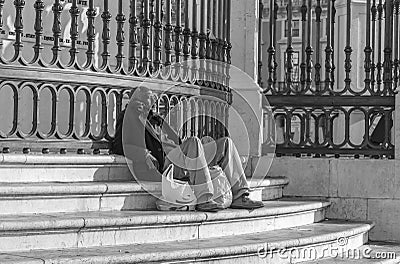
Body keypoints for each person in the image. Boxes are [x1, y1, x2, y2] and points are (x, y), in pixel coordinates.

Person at [112, 86, 264, 212]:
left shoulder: (156, 119)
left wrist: (161, 123)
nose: (151, 100)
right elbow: (118, 145)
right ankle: (204, 198)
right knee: (193, 142)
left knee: (226, 143)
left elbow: (176, 141)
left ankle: (240, 195)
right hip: (167, 165)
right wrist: (144, 154)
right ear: (135, 100)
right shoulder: (128, 116)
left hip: (182, 157)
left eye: (152, 98)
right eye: (146, 97)